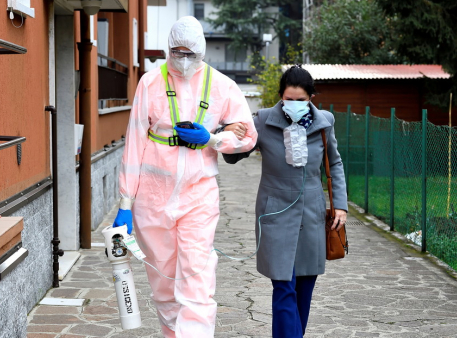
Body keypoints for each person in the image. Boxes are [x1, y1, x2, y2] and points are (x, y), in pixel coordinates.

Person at [112, 16, 257, 338]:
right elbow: (135, 142)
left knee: (196, 277)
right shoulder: (150, 82)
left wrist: (214, 139)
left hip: (198, 195)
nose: (184, 59)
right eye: (177, 52)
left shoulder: (222, 85)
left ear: (203, 50)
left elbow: (248, 136)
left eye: (191, 52)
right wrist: (125, 201)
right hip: (152, 196)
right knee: (163, 282)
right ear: (168, 49)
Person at [222, 65, 348, 337]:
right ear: (280, 96)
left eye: (300, 100)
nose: (294, 105)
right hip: (275, 214)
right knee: (283, 286)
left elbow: (334, 163)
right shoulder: (263, 120)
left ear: (311, 98)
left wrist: (341, 205)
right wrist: (230, 132)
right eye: (288, 99)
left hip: (311, 214)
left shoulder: (325, 122)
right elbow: (233, 156)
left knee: (304, 290)